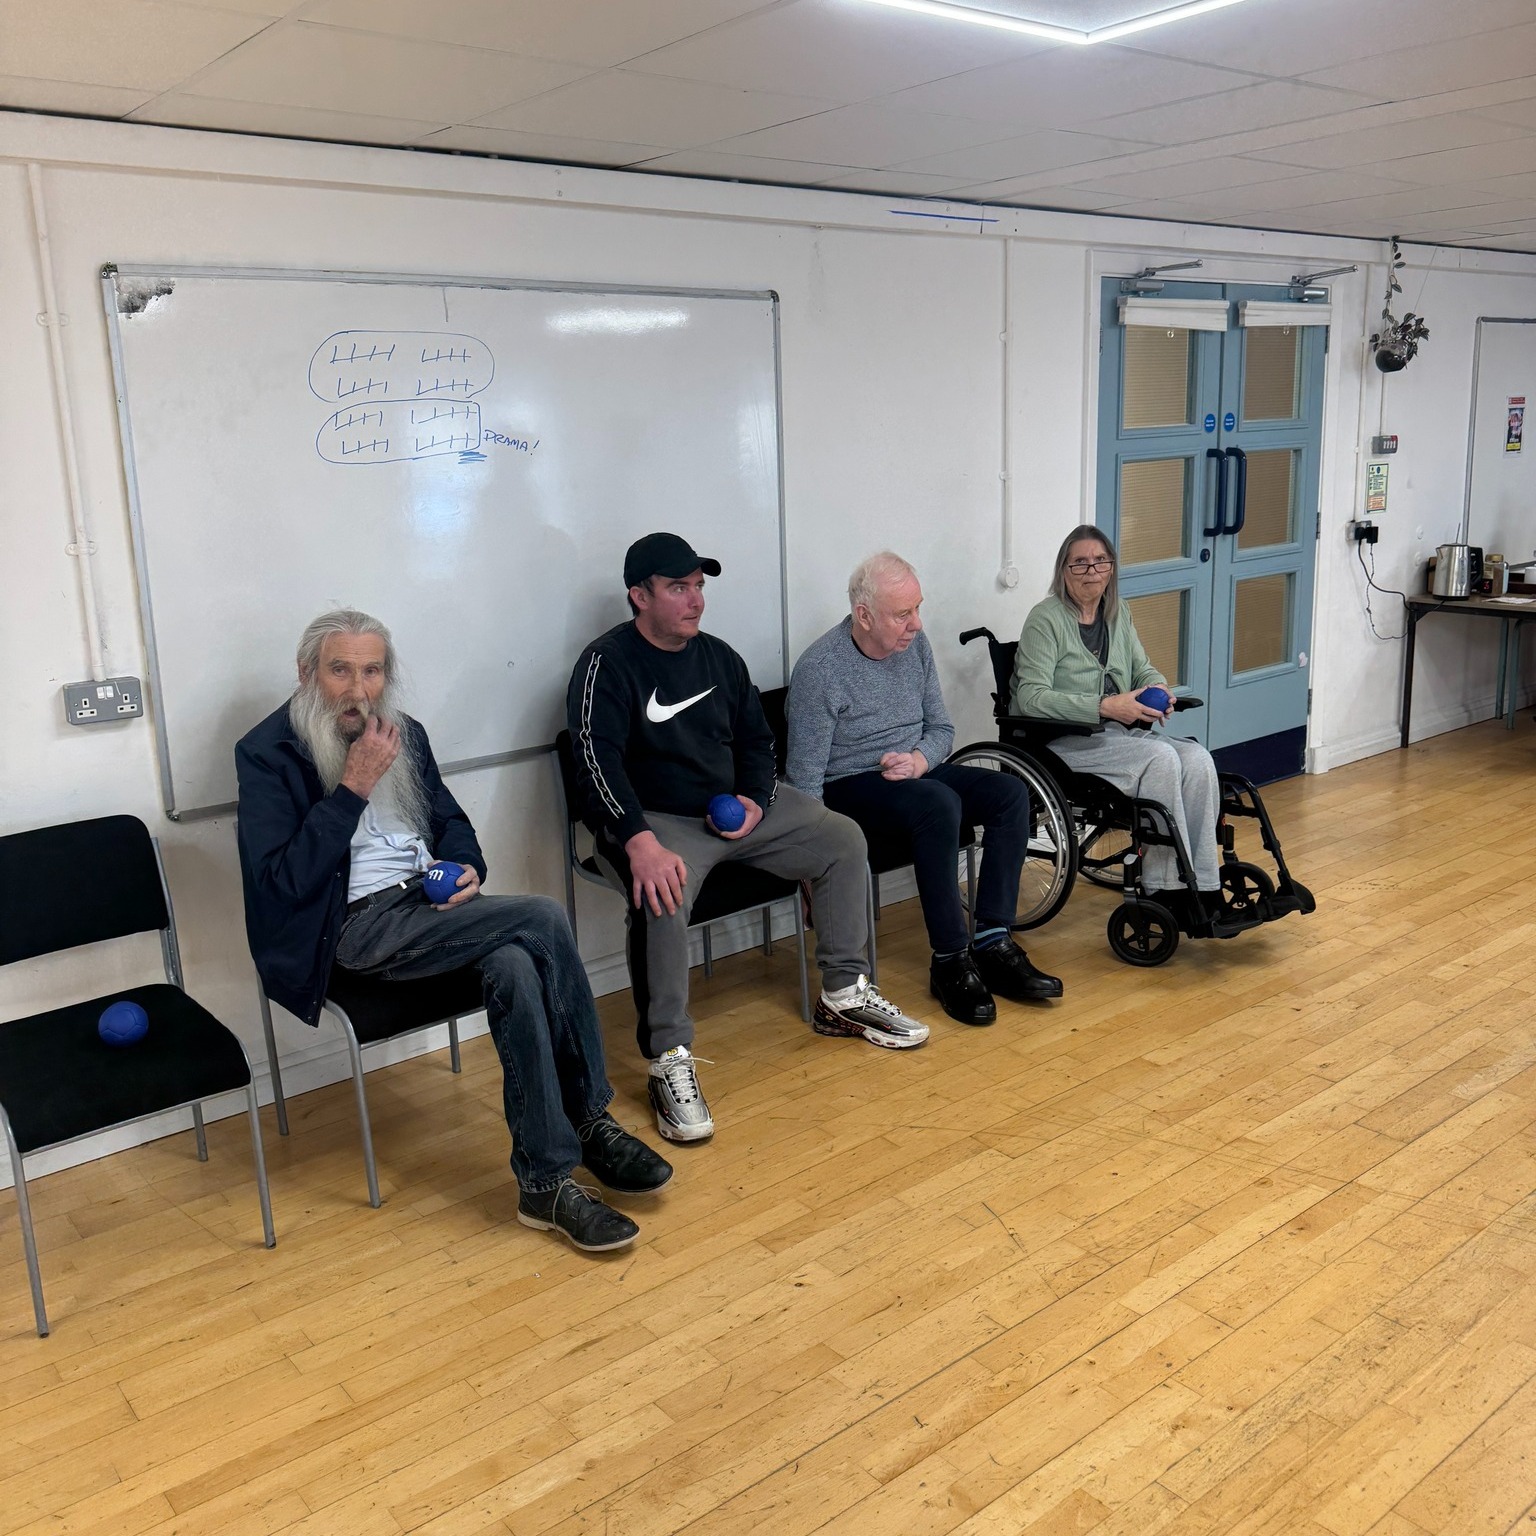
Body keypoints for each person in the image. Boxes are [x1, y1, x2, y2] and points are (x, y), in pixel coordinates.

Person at [236, 608, 672, 1254]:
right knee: (545, 917)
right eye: (340, 671)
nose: (359, 689)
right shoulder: (266, 753)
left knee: (517, 968)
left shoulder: (402, 733)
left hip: (429, 908)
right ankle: (589, 1120)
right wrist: (352, 787)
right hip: (350, 929)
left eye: (373, 670)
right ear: (306, 674)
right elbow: (280, 886)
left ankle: (544, 1183)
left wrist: (467, 865)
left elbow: (451, 824)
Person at [566, 532, 928, 1145]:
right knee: (663, 890)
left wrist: (757, 805)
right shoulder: (606, 664)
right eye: (678, 587)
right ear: (639, 596)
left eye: (699, 586)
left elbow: (758, 745)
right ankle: (668, 1059)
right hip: (656, 823)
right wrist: (637, 840)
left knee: (841, 838)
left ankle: (843, 994)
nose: (695, 600)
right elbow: (592, 763)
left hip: (734, 812)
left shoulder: (720, 658)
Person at [786, 552, 1063, 1026]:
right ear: (864, 615)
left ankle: (993, 939)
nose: (916, 623)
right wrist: (809, 867)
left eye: (918, 608)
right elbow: (805, 777)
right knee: (938, 802)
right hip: (847, 786)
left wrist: (918, 760)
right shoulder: (820, 670)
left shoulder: (913, 646)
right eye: (902, 613)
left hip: (914, 774)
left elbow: (940, 728)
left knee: (1009, 795)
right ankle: (950, 961)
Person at [1011, 526, 1225, 925]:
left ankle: (1205, 882)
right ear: (1064, 569)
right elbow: (1031, 697)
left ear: (1111, 568)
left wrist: (1159, 685)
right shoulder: (1045, 619)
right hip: (1065, 741)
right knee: (1160, 757)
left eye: (1100, 561)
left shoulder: (1117, 611)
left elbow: (1140, 666)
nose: (1091, 570)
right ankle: (1163, 886)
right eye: (1080, 562)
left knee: (1197, 758)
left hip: (1120, 736)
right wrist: (1105, 706)